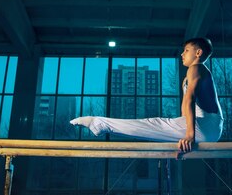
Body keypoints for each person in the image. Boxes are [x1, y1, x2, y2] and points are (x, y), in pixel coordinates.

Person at [70, 37, 223, 153]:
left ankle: (100, 123)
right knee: (158, 127)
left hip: (206, 126)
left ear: (198, 52)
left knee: (155, 123)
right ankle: (101, 123)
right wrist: (182, 140)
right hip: (207, 128)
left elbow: (190, 99)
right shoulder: (191, 75)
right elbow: (185, 109)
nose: (182, 54)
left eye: (186, 50)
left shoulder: (196, 68)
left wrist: (190, 135)